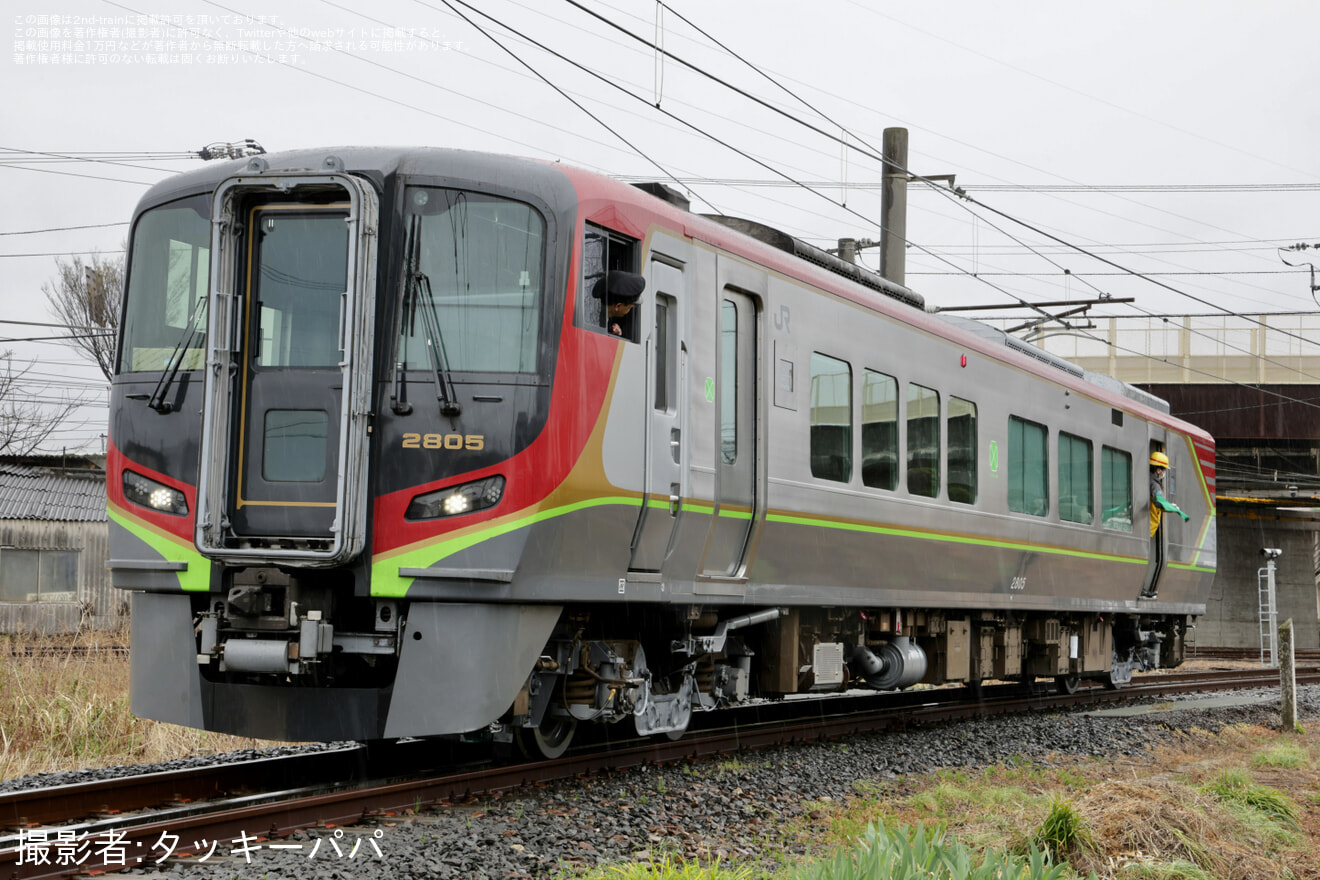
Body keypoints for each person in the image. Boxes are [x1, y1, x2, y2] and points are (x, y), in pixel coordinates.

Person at [1143, 451, 1189, 599]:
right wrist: (1172, 507)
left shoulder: (1146, 480)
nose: (1163, 473)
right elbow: (1158, 501)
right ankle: (1143, 589)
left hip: (1145, 525)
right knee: (1146, 557)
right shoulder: (1155, 485)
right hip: (1147, 526)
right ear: (1158, 470)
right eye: (1163, 470)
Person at [591, 270, 645, 338]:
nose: (630, 310)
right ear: (618, 306)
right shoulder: (594, 321)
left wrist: (613, 334)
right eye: (630, 307)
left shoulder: (599, 317)